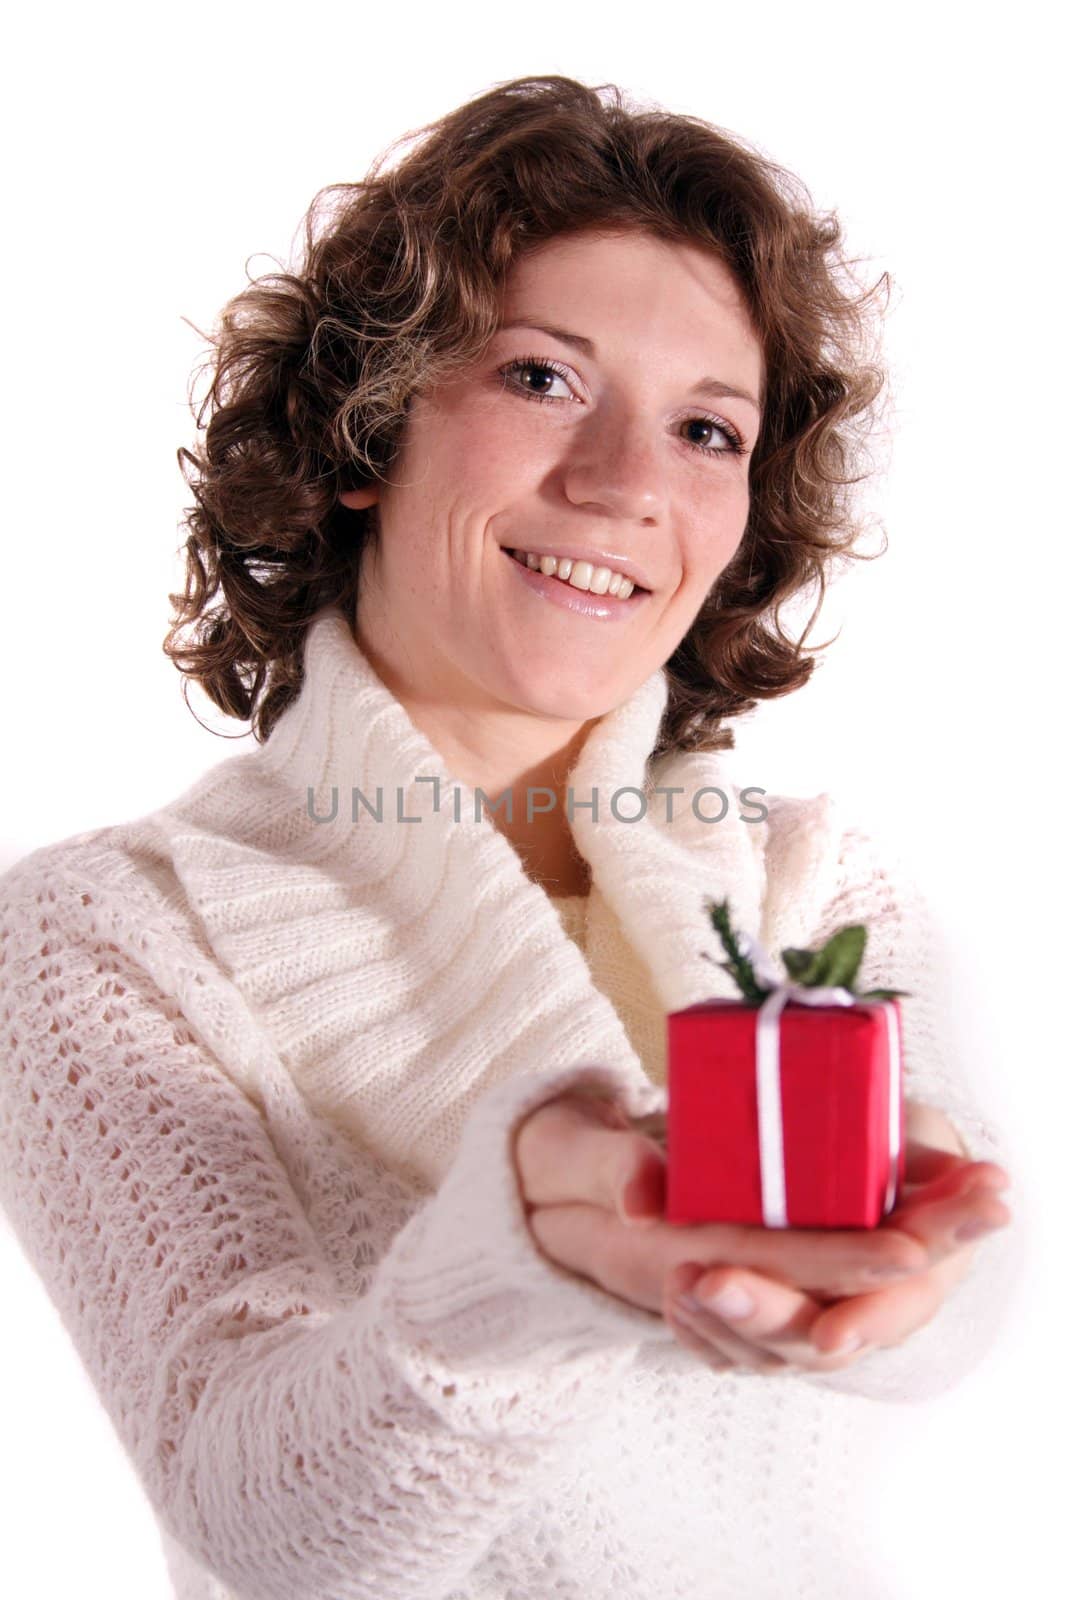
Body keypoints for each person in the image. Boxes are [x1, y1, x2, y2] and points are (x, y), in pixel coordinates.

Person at [0, 73, 1016, 1600]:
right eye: (543, 379)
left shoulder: (810, 881)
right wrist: (529, 1255)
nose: (623, 486)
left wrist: (915, 1231)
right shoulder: (110, 932)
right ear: (366, 429)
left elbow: (969, 1325)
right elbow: (259, 1510)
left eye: (705, 429)